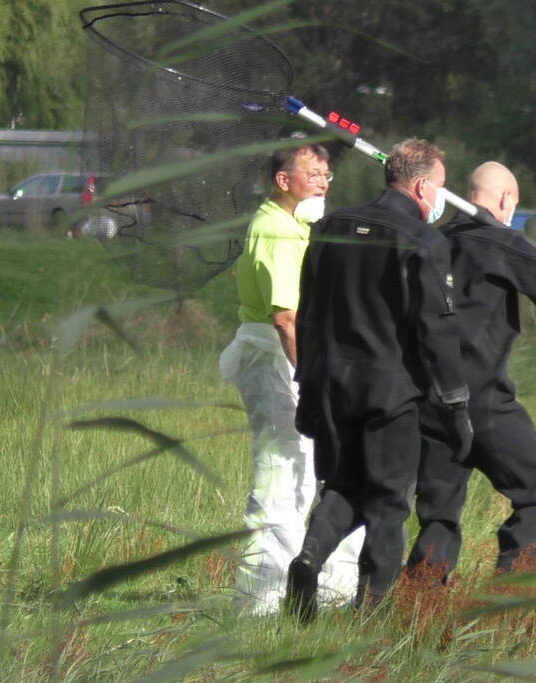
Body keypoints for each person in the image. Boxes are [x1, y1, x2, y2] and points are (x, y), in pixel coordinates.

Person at [284, 139, 473, 621]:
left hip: (331, 382)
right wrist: (455, 404)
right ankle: (371, 612)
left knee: (343, 482)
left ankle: (308, 559)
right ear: (422, 186)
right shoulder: (423, 240)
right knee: (389, 502)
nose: (441, 199)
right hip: (390, 391)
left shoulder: (330, 227)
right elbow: (436, 329)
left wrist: (306, 382)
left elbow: (308, 311)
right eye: (441, 188)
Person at [407, 161, 536, 579]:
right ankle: (508, 593)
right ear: (506, 199)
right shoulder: (505, 242)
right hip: (483, 399)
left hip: (430, 396)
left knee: (439, 511)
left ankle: (420, 601)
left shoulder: (431, 241)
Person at [218, 143, 363, 615]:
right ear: (284, 181)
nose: (323, 184)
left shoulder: (298, 225)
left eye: (327, 175)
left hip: (298, 357)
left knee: (316, 474)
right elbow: (286, 319)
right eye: (313, 174)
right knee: (282, 475)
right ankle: (261, 599)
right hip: (278, 360)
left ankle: (334, 591)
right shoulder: (276, 230)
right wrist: (311, 379)